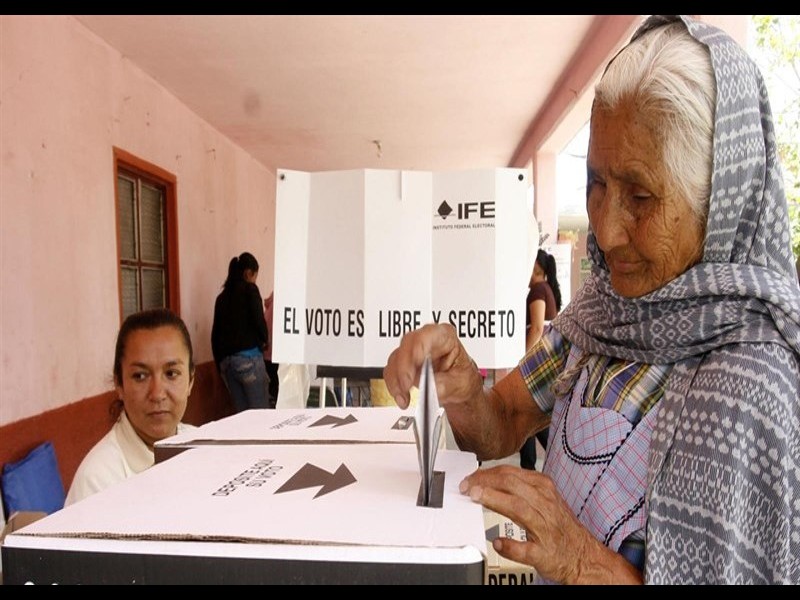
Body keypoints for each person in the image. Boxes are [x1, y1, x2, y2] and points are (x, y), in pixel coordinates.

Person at [383, 15, 800, 584]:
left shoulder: (757, 387)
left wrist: (582, 560)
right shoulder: (602, 315)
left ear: (719, 204)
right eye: (597, 183)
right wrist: (461, 388)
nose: (605, 229)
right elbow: (503, 421)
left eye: (641, 196)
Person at [66, 308, 196, 505]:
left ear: (191, 380)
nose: (157, 394)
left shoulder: (202, 448)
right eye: (140, 376)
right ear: (119, 384)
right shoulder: (97, 482)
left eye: (171, 373)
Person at [519, 248, 562, 470]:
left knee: (528, 414)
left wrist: (523, 362)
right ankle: (530, 466)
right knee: (530, 416)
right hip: (543, 364)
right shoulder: (545, 289)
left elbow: (536, 328)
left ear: (534, 266)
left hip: (537, 365)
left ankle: (530, 466)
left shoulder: (538, 290)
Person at [211, 252, 271, 412]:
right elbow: (259, 320)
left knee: (242, 416)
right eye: (255, 276)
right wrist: (265, 340)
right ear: (248, 273)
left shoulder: (221, 298)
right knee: (261, 414)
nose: (255, 281)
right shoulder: (250, 290)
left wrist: (220, 366)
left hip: (227, 365)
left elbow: (215, 334)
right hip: (249, 360)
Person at [263, 292, 279, 408]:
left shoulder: (270, 307)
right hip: (275, 356)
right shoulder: (280, 304)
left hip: (265, 355)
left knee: (271, 393)